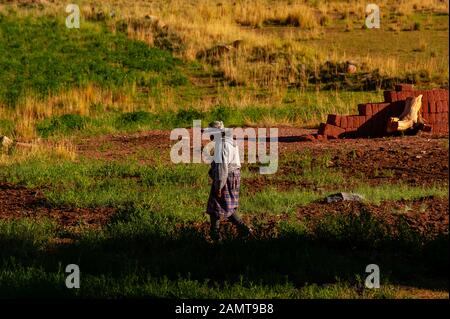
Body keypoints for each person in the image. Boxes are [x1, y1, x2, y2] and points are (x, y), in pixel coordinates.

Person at [204, 121, 252, 243]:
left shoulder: (222, 145)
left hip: (226, 177)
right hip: (233, 176)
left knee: (216, 205)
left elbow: (222, 168)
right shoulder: (230, 142)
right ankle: (243, 230)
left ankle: (216, 235)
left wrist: (219, 186)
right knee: (226, 205)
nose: (209, 136)